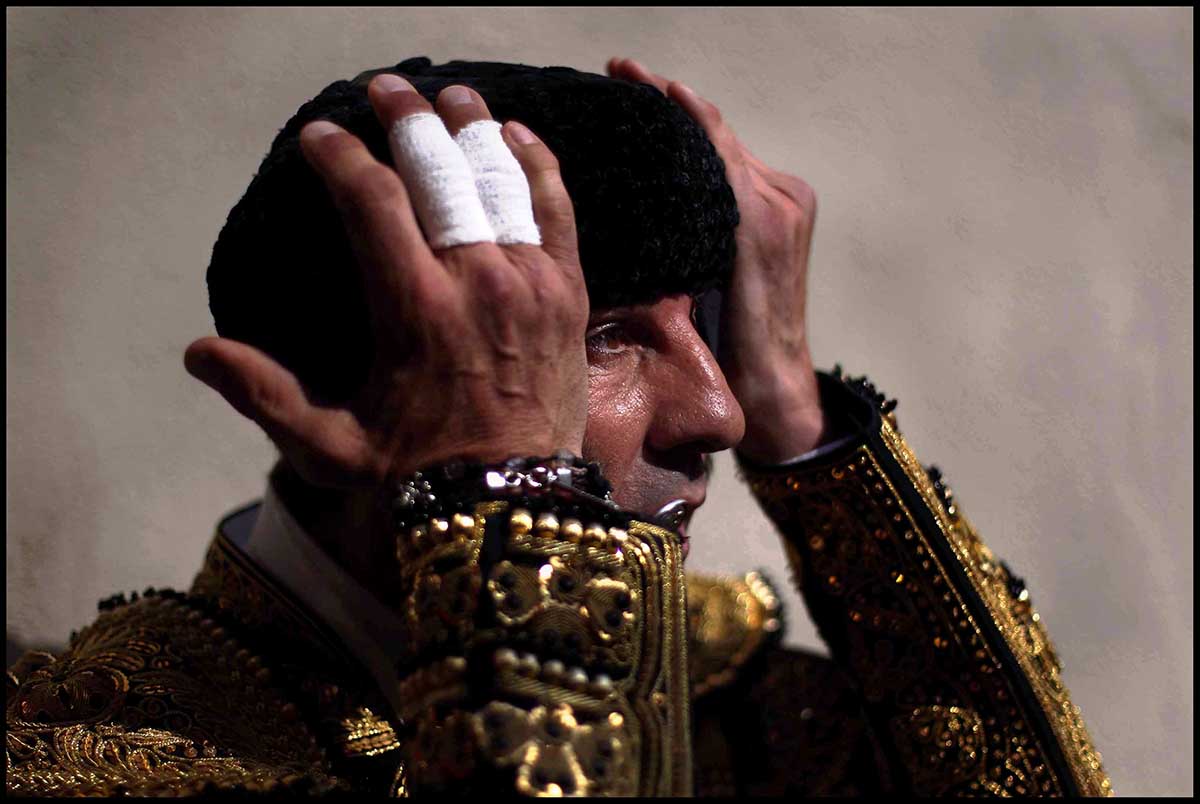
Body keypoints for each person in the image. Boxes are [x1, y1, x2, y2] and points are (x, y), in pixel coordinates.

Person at [5, 57, 1112, 797]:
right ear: (314, 408)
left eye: (705, 323)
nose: (720, 414)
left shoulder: (713, 682)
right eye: (599, 337)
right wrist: (510, 490)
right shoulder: (112, 754)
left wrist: (801, 418)